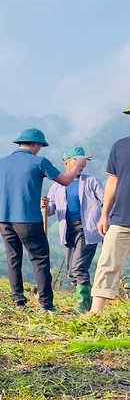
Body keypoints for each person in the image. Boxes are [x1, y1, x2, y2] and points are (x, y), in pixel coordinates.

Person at [0, 128, 88, 312]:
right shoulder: (39, 161)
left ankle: (19, 302)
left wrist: (8, 199)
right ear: (35, 145)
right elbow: (65, 180)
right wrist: (77, 166)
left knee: (13, 259)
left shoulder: (1, 162)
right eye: (40, 145)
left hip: (5, 220)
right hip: (28, 220)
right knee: (40, 259)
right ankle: (46, 304)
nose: (39, 149)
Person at [42, 147, 104, 313]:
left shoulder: (91, 181)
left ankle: (83, 304)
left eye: (82, 162)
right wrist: (45, 206)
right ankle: (84, 303)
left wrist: (106, 221)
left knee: (78, 267)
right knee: (71, 270)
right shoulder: (57, 186)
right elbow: (51, 210)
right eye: (76, 161)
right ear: (66, 163)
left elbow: (106, 201)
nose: (81, 165)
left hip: (87, 229)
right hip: (68, 230)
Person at [88, 102, 130, 315]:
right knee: (107, 263)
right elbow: (112, 183)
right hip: (121, 218)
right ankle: (96, 313)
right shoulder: (120, 146)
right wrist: (104, 214)